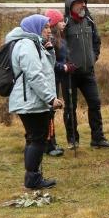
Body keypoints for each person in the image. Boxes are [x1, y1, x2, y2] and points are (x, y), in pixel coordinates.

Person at [7, 14, 63, 189]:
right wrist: (50, 98)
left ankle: (33, 177)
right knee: (38, 139)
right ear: (35, 28)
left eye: (48, 27)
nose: (49, 30)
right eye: (45, 27)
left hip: (31, 100)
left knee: (34, 139)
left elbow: (47, 69)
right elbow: (35, 76)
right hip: (30, 102)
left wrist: (50, 50)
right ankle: (33, 180)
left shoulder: (33, 44)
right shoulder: (27, 45)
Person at [61, 0, 109, 148]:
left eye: (84, 2)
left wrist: (93, 58)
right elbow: (58, 46)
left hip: (88, 72)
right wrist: (65, 63)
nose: (83, 5)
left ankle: (97, 139)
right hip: (69, 74)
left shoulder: (90, 21)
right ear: (71, 5)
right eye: (79, 2)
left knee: (95, 103)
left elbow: (97, 42)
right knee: (70, 107)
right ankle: (73, 140)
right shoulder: (64, 24)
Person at [43, 9, 67, 157]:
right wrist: (63, 67)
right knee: (49, 111)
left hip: (56, 78)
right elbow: (50, 62)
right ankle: (49, 144)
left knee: (51, 111)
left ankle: (52, 141)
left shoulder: (60, 37)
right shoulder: (50, 40)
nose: (63, 23)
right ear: (54, 23)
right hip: (50, 79)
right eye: (61, 21)